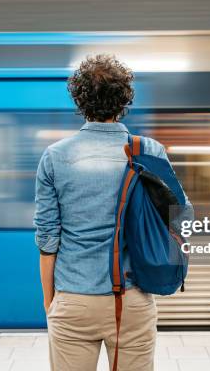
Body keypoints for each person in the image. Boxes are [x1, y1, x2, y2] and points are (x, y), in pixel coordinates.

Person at [34, 54, 188, 371]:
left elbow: (48, 240)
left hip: (74, 298)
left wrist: (52, 304)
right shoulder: (149, 151)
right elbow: (180, 215)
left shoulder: (55, 157)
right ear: (123, 100)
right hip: (132, 299)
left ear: (80, 100)